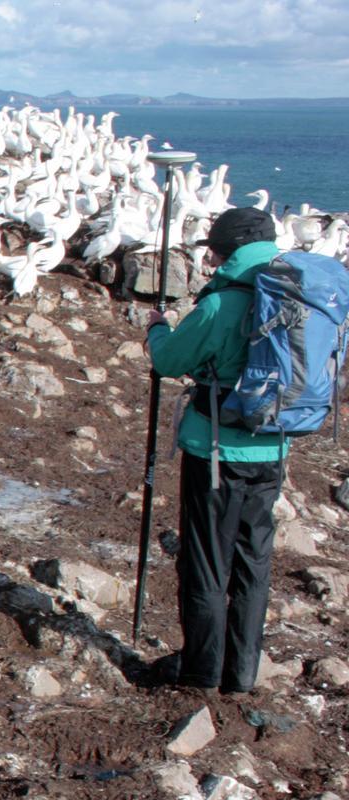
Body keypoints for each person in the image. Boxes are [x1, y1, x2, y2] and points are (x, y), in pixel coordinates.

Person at [145, 206, 286, 696]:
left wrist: (157, 327)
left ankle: (202, 673)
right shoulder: (298, 296)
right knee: (254, 563)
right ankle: (241, 674)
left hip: (217, 456)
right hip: (273, 450)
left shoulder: (221, 304)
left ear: (225, 251)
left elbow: (168, 361)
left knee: (207, 563)